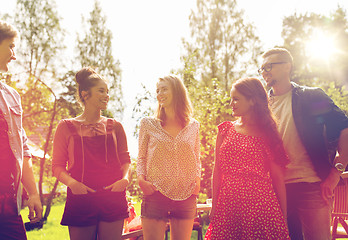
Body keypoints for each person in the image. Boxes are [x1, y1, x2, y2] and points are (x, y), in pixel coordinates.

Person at [259, 47, 348, 240]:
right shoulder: (262, 105)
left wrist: (336, 172)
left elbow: (344, 126)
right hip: (276, 191)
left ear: (287, 67)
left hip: (312, 186)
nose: (264, 72)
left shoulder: (311, 97)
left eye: (269, 66)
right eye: (262, 68)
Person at [0, 15, 43, 239]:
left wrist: (33, 192)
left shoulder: (11, 96)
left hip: (8, 204)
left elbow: (21, 147)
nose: (14, 56)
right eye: (11, 47)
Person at [205, 77, 290, 240]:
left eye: (236, 99)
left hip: (260, 207)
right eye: (231, 99)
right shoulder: (226, 130)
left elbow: (277, 178)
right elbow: (217, 171)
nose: (231, 103)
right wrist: (214, 205)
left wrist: (283, 218)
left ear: (252, 101)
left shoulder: (268, 134)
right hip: (228, 205)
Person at [52, 67, 131, 240]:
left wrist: (125, 179)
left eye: (107, 91)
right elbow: (57, 167)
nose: (107, 96)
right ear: (85, 95)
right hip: (81, 200)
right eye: (101, 91)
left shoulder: (115, 126)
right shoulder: (65, 126)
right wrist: (73, 184)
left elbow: (126, 160)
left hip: (113, 198)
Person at [136, 75, 201, 240]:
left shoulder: (193, 126)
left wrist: (197, 181)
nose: (159, 94)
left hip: (186, 195)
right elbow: (141, 157)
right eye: (157, 90)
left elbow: (196, 157)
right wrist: (141, 180)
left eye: (164, 89)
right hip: (156, 193)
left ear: (177, 92)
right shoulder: (148, 124)